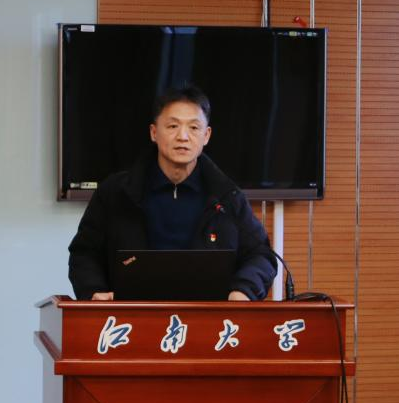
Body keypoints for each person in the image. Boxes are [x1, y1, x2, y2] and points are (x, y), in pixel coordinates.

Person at [68, 85, 277, 301]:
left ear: (206, 136)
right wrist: (94, 291)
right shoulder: (116, 193)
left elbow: (261, 255)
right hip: (133, 314)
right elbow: (84, 252)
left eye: (194, 127)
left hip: (206, 316)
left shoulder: (227, 197)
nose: (183, 136)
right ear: (153, 132)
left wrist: (242, 291)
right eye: (173, 126)